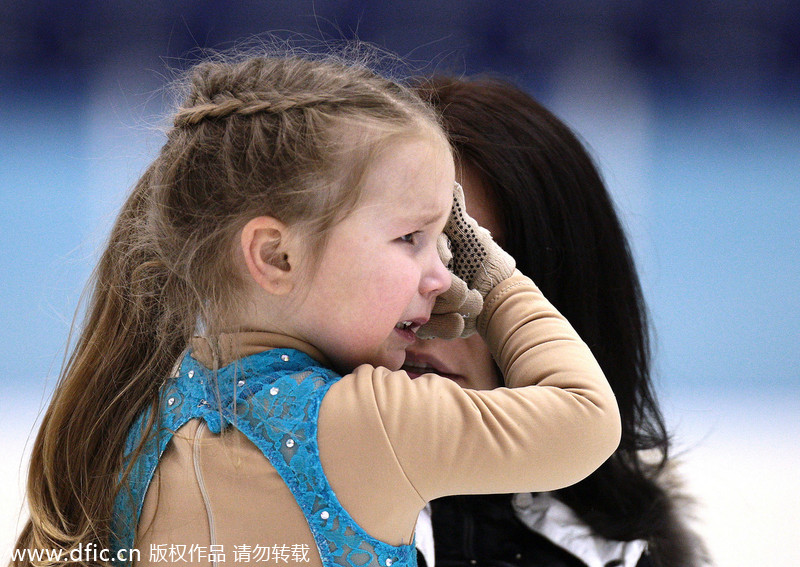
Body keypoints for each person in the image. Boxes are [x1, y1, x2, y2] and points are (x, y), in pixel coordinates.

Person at [11, 53, 621, 567]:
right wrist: (497, 277)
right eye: (412, 238)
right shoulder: (377, 424)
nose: (442, 276)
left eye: (452, 246)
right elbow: (585, 420)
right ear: (276, 256)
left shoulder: (125, 422)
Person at [408, 77, 709, 567]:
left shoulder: (626, 553)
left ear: (568, 293)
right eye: (404, 245)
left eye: (474, 261)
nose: (430, 305)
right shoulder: (254, 503)